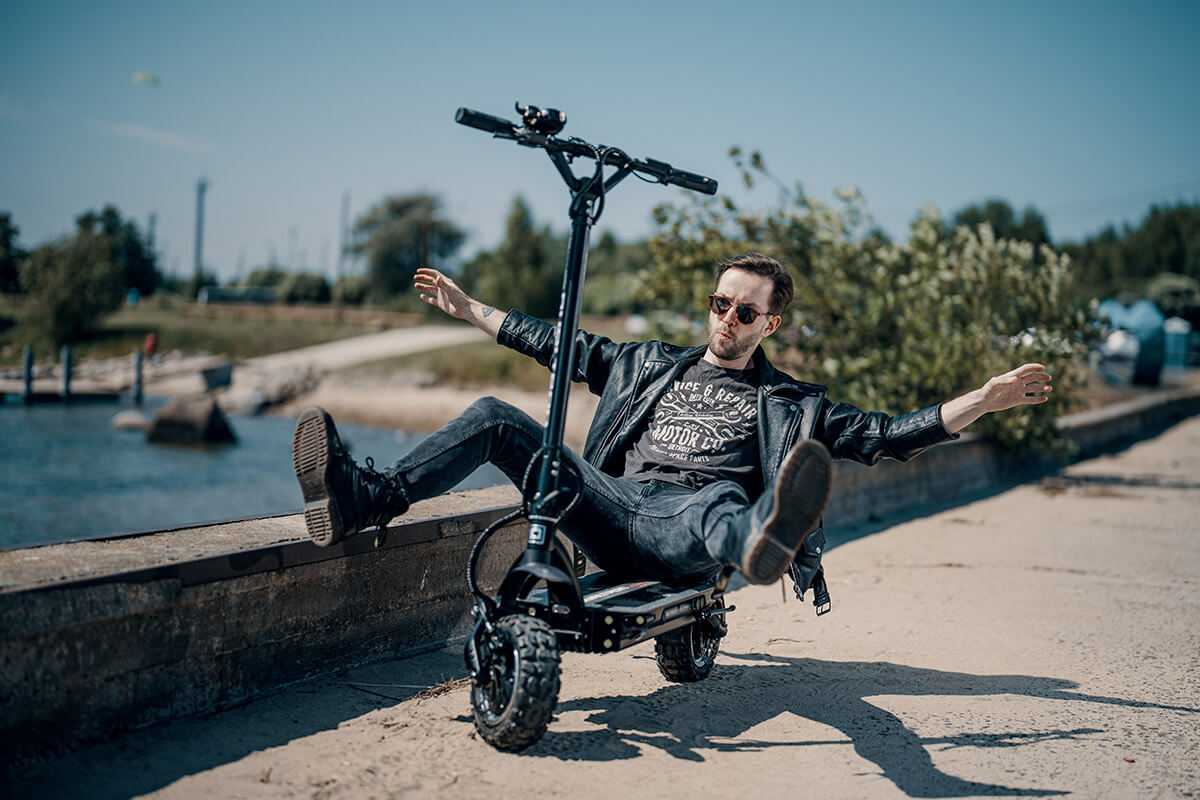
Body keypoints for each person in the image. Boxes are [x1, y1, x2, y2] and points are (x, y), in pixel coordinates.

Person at [291, 253, 1051, 594]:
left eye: (745, 312)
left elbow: (885, 437)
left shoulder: (792, 403)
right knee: (496, 415)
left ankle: (758, 541)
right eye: (720, 304)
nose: (726, 319)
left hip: (690, 525)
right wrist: (471, 310)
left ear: (770, 324)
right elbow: (561, 345)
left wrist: (982, 399)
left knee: (719, 501)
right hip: (609, 507)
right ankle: (367, 497)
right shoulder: (648, 363)